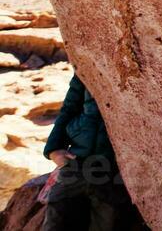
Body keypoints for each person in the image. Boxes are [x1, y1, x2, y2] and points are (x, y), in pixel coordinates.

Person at [41, 73, 120, 231]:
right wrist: (54, 150)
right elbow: (69, 107)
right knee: (57, 220)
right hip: (77, 160)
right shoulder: (86, 62)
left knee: (107, 222)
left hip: (115, 170)